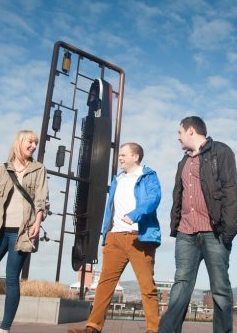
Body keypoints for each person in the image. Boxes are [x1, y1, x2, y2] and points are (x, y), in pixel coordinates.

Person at [159, 116, 237, 333]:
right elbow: (179, 196)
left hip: (214, 232)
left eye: (180, 132)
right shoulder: (183, 162)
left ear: (191, 131)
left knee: (220, 289)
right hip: (186, 233)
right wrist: (175, 226)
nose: (178, 137)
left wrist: (228, 230)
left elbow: (231, 191)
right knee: (180, 285)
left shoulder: (221, 152)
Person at [69, 142, 162, 333]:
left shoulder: (148, 177)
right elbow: (110, 209)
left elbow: (154, 199)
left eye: (124, 155)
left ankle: (154, 329)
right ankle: (92, 327)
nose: (120, 158)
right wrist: (107, 234)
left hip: (140, 237)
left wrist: (136, 214)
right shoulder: (117, 179)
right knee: (104, 284)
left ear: (135, 157)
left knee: (147, 286)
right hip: (115, 238)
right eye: (120, 155)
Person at [0, 130, 49, 333]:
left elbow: (42, 199)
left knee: (12, 278)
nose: (33, 146)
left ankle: (4, 328)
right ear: (19, 142)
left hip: (22, 232)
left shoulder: (38, 169)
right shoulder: (2, 169)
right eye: (30, 142)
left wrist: (37, 222)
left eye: (35, 143)